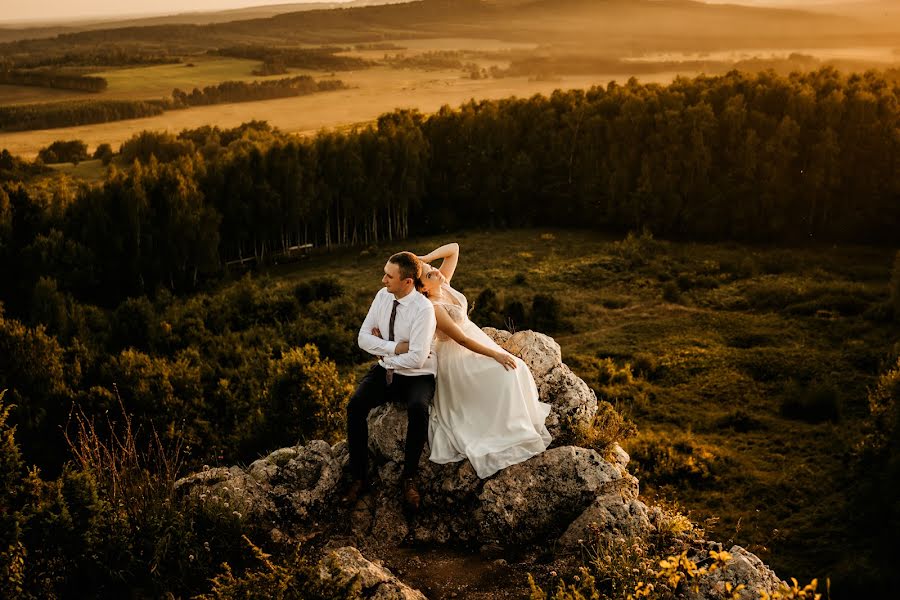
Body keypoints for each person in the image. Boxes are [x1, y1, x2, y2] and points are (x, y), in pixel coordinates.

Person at [416, 242, 552, 478]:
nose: (436, 270)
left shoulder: (443, 283)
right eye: (429, 273)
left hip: (476, 341)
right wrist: (496, 354)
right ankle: (503, 426)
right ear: (423, 289)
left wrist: (425, 257)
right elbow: (461, 340)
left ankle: (515, 419)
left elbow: (455, 248)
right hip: (458, 357)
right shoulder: (433, 307)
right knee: (505, 372)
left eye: (433, 268)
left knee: (517, 368)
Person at [345, 251, 437, 510]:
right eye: (385, 273)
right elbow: (363, 338)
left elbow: (418, 359)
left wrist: (381, 350)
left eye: (389, 275)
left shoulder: (423, 309)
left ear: (407, 282)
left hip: (418, 376)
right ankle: (359, 477)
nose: (383, 279)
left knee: (418, 409)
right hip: (386, 366)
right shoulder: (382, 297)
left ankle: (409, 477)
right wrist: (395, 349)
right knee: (355, 407)